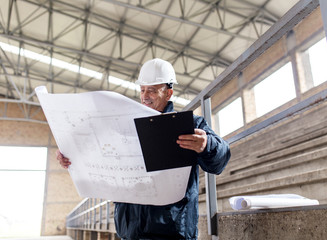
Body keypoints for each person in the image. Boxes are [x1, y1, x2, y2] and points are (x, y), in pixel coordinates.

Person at [56, 58, 231, 240]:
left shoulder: (189, 125)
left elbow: (221, 159)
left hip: (171, 231)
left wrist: (206, 145)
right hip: (130, 230)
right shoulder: (124, 127)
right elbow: (95, 151)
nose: (145, 96)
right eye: (142, 90)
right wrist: (69, 154)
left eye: (153, 91)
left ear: (168, 93)